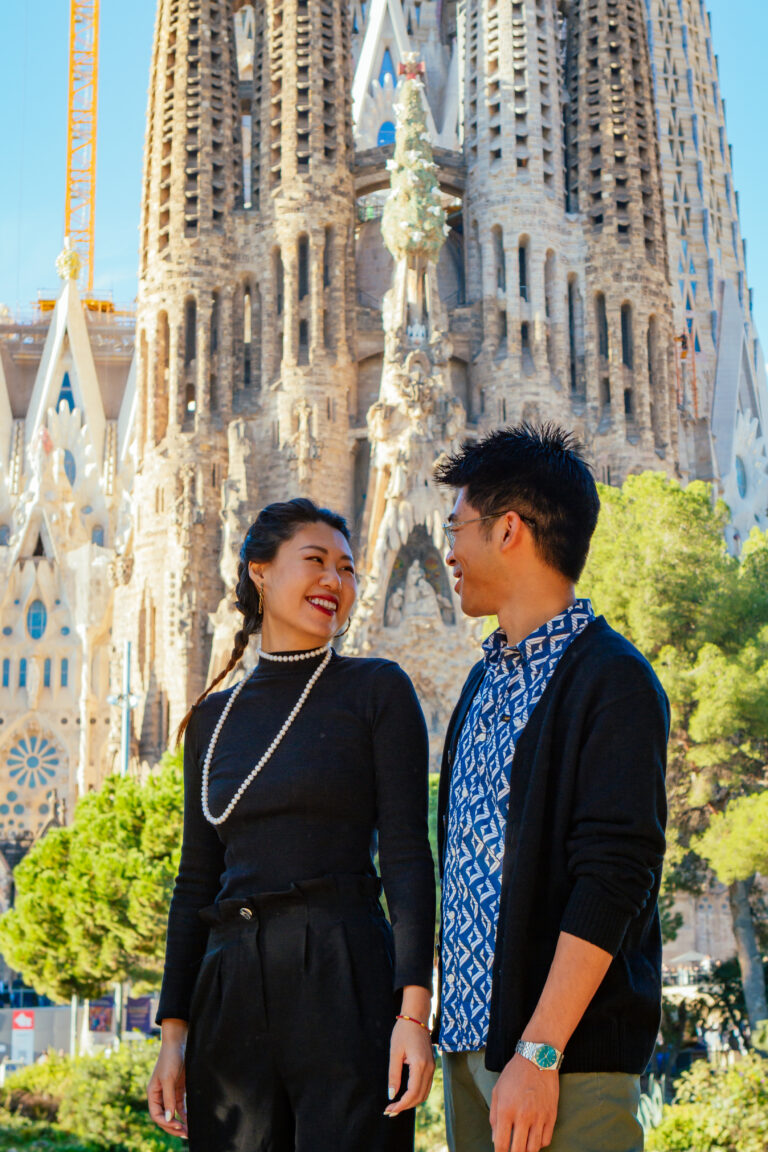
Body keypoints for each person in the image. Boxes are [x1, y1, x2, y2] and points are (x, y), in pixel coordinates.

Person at [148, 498, 435, 1152]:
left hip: (345, 969)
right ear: (259, 572)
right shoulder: (212, 721)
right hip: (230, 982)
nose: (335, 581)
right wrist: (173, 1037)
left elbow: (408, 859)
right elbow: (195, 883)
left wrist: (413, 1014)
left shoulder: (376, 690)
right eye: (315, 561)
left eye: (347, 568)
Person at [433, 424, 669, 1152]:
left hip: (565, 1067)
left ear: (509, 530)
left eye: (458, 527)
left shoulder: (612, 680)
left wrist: (539, 1052)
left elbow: (615, 875)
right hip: (470, 1055)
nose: (449, 551)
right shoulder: (479, 683)